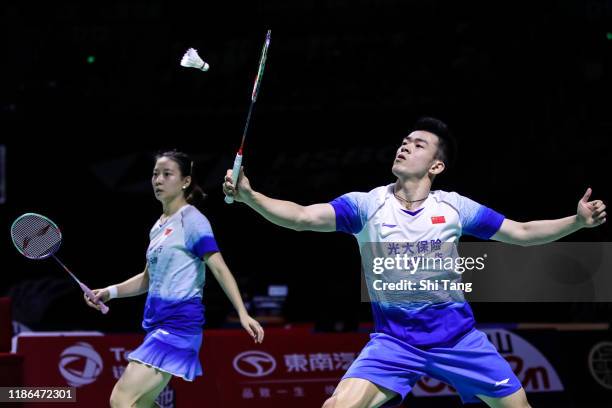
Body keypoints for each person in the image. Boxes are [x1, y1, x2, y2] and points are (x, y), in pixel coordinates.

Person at [222, 117, 606, 408]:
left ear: (435, 166)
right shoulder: (367, 205)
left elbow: (520, 232)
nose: (404, 147)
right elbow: (302, 217)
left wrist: (577, 221)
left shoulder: (454, 207)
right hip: (395, 342)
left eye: (418, 145)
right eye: (404, 142)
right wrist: (252, 197)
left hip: (458, 340)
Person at [86, 150, 264, 408]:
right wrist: (109, 292)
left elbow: (219, 268)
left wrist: (242, 312)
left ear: (185, 181)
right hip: (157, 325)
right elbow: (148, 279)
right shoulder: (158, 227)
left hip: (179, 325)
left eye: (167, 174)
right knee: (139, 403)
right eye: (155, 174)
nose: (158, 180)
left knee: (121, 399)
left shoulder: (193, 221)